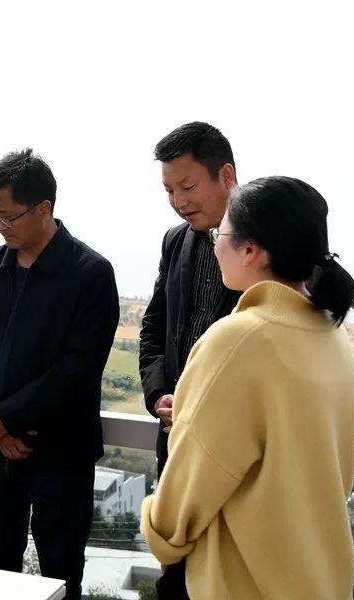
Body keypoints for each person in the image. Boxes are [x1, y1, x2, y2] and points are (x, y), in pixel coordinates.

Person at [140, 176, 354, 599]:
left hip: (249, 583)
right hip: (322, 580)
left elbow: (193, 474)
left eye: (220, 235)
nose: (214, 247)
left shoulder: (238, 340)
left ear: (250, 250)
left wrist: (163, 538)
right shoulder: (333, 335)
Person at [0, 149, 119, 600]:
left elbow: (77, 368)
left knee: (61, 576)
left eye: (9, 216)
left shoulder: (90, 273)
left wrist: (7, 416)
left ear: (43, 208)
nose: (0, 225)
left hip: (61, 453)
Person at [137, 122, 242, 596]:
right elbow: (154, 328)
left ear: (227, 176)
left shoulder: (269, 246)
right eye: (169, 190)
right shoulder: (174, 241)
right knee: (175, 578)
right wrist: (159, 393)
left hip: (234, 452)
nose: (178, 200)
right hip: (175, 444)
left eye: (188, 186)